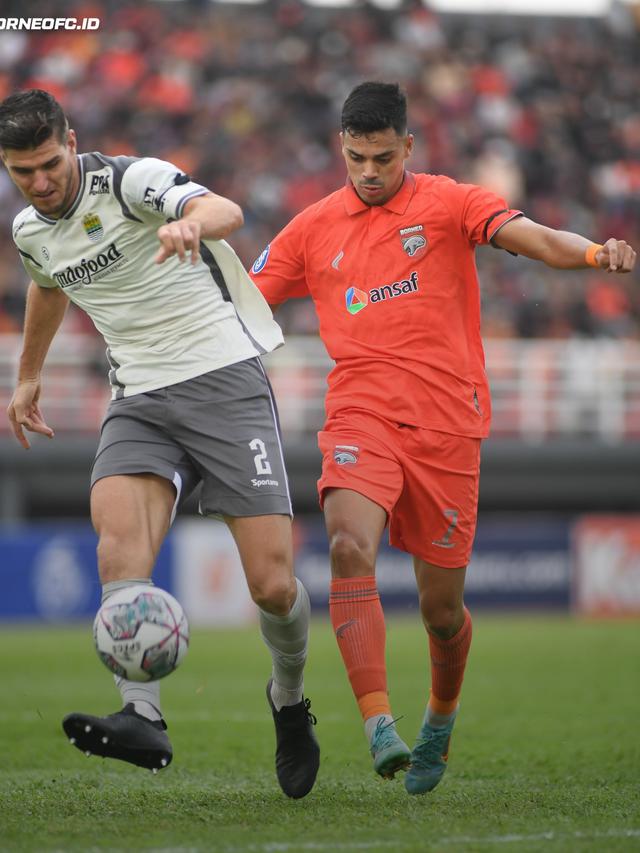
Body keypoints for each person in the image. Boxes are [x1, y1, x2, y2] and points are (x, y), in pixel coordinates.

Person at [249, 81, 636, 795]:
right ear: (342, 146)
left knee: (441, 610)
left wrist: (593, 255)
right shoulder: (310, 228)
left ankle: (440, 717)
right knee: (345, 544)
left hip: (450, 427)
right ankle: (377, 723)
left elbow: (540, 239)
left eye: (383, 158)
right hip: (360, 412)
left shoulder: (452, 202)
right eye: (357, 157)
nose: (369, 171)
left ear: (409, 147)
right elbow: (240, 302)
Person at [1, 89, 319, 799]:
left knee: (271, 583)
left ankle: (290, 700)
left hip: (224, 380)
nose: (42, 182)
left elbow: (225, 211)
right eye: (24, 172)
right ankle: (142, 714)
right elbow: (47, 284)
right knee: (118, 548)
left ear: (72, 141)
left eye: (51, 164)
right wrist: (27, 378)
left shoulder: (129, 181)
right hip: (139, 397)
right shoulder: (30, 228)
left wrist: (188, 225)